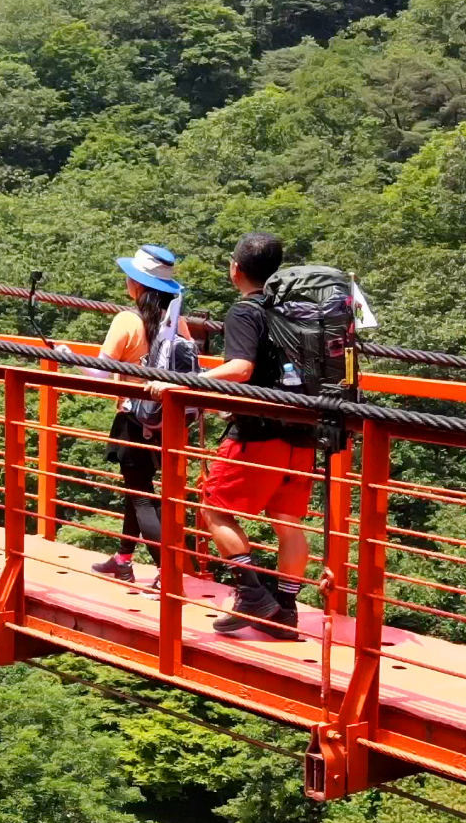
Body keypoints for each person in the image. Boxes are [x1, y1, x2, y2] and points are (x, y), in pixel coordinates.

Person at [191, 232, 311, 640]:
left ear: (235, 269)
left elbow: (241, 368)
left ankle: (250, 593)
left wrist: (187, 382)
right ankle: (286, 611)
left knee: (214, 508)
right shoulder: (300, 307)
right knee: (288, 522)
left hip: (258, 433)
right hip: (306, 431)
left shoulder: (246, 311)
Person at [82, 244, 190, 589]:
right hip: (167, 419)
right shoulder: (178, 323)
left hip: (134, 418)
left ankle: (169, 573)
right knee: (138, 488)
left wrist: (68, 357)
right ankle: (124, 559)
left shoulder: (127, 321)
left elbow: (98, 374)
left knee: (141, 495)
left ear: (138, 285)